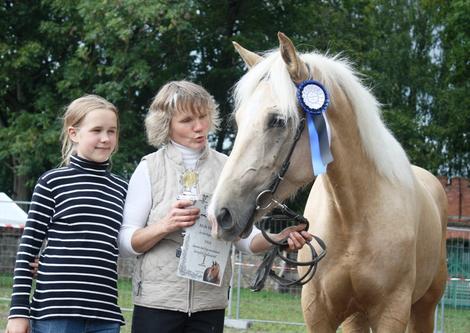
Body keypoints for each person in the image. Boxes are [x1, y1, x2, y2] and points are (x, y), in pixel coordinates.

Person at [118, 80, 312, 333]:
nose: (199, 127)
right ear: (166, 125)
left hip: (209, 306)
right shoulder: (148, 168)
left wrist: (276, 238)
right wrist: (165, 225)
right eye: (187, 120)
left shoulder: (227, 167)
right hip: (157, 303)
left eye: (203, 116)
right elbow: (125, 242)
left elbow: (244, 239)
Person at [6, 95, 128, 333]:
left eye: (111, 131)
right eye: (96, 130)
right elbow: (27, 249)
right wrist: (18, 311)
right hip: (55, 313)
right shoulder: (52, 182)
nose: (105, 138)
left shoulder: (123, 189)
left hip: (105, 315)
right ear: (74, 133)